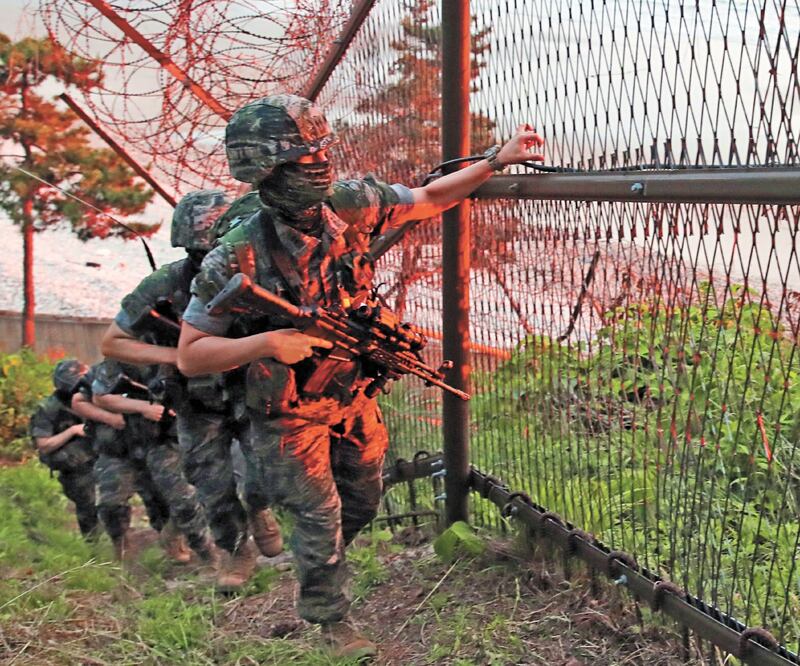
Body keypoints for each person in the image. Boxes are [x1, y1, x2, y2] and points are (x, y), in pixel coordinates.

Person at [177, 93, 544, 658]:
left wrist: (495, 159)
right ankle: (329, 619)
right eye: (304, 155)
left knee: (363, 502)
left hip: (351, 393)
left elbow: (427, 198)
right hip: (286, 411)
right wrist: (268, 342)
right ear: (267, 172)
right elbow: (191, 353)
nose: (320, 161)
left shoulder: (350, 205)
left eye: (322, 147)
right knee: (319, 516)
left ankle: (300, 537)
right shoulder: (237, 254)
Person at [100, 190, 282, 590]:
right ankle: (236, 553)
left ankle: (259, 510)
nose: (208, 261)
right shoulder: (166, 282)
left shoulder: (261, 274)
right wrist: (176, 354)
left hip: (251, 391)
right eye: (198, 252)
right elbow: (113, 342)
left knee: (264, 474)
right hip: (196, 403)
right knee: (211, 486)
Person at [89, 358, 215, 564]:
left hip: (163, 442)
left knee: (183, 501)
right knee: (110, 504)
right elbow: (97, 397)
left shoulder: (178, 355)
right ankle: (121, 550)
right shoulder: (115, 362)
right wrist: (142, 407)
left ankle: (206, 553)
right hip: (121, 447)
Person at [70, 361, 178, 561]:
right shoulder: (106, 370)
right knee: (110, 504)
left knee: (167, 502)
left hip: (158, 448)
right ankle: (121, 548)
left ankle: (174, 545)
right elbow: (78, 401)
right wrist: (108, 417)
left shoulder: (164, 368)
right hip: (116, 451)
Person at [29, 359, 99, 539]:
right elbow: (43, 445)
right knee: (87, 501)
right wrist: (72, 431)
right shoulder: (49, 408)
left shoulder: (97, 397)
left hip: (104, 454)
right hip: (74, 465)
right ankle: (94, 544)